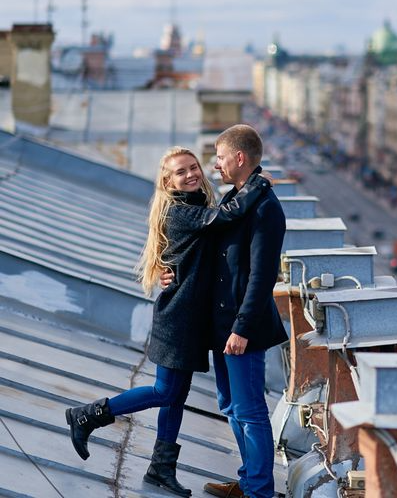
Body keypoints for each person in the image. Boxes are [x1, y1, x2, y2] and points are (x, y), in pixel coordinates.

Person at [65, 146, 269, 497]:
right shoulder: (179, 212)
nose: (191, 174)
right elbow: (226, 217)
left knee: (177, 396)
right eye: (181, 171)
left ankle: (160, 470)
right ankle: (89, 415)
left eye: (194, 168)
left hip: (191, 319)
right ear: (167, 180)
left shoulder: (197, 205)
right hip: (178, 319)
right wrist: (258, 184)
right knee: (166, 391)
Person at [192, 125, 287, 498]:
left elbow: (263, 277)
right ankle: (249, 481)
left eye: (220, 157)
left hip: (242, 329)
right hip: (223, 325)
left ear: (239, 158)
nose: (215, 165)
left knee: (250, 411)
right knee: (230, 405)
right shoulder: (238, 199)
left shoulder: (264, 208)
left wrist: (242, 328)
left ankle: (260, 491)